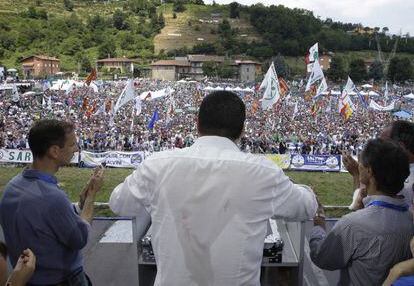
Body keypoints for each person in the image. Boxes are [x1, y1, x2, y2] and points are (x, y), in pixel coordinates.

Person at [109, 91, 317, 286]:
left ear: (197, 125)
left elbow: (118, 203)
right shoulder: (264, 173)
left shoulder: (157, 165)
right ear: (242, 130)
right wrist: (303, 188)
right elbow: (307, 207)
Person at [0, 119, 104, 285]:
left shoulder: (12, 187)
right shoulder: (52, 198)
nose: (76, 149)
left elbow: (45, 223)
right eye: (72, 145)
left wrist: (79, 206)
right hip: (63, 280)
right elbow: (80, 238)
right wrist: (91, 196)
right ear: (55, 151)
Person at [310, 138, 414, 286]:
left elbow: (322, 257)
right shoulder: (410, 220)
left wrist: (318, 223)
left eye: (361, 163)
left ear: (369, 171)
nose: (359, 166)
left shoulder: (352, 225)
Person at [344, 120, 414, 210]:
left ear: (400, 147)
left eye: (382, 142)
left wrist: (357, 175)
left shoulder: (398, 179)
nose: (376, 147)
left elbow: (364, 213)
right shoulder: (400, 172)